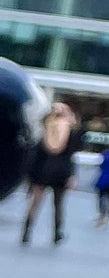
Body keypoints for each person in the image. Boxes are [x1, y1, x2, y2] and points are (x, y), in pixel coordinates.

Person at [20, 102, 80, 246]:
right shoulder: (69, 132)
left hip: (42, 170)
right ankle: (56, 233)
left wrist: (29, 175)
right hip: (60, 171)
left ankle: (26, 232)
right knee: (58, 204)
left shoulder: (44, 130)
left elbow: (34, 154)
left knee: (35, 202)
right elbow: (72, 153)